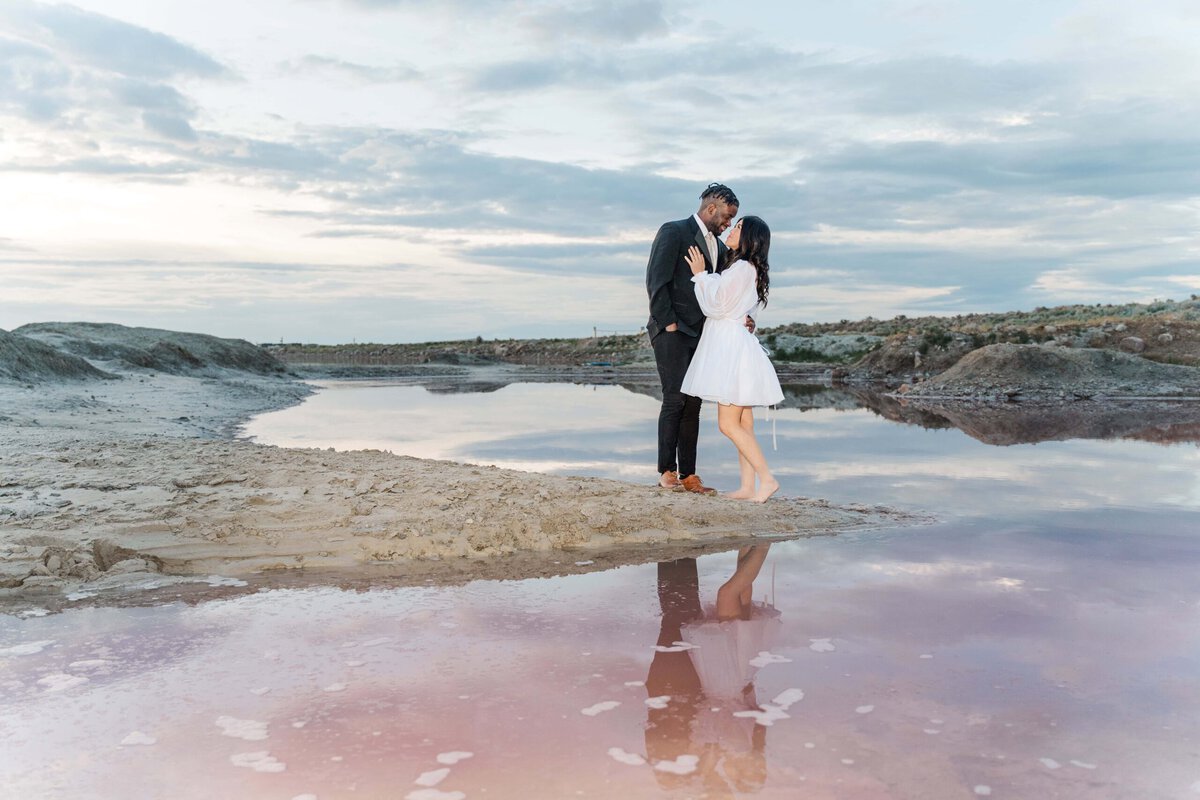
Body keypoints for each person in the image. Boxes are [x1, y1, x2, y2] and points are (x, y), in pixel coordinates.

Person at [645, 183, 741, 495]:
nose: (728, 223)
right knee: (675, 399)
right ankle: (666, 472)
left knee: (694, 403)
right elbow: (656, 280)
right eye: (727, 216)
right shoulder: (673, 231)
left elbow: (725, 289)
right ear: (712, 208)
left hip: (704, 334)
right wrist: (668, 323)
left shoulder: (721, 248)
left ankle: (689, 475)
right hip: (672, 331)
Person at [680, 216, 783, 502]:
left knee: (728, 424)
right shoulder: (749, 269)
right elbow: (744, 310)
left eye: (739, 227)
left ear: (750, 237)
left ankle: (768, 479)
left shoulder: (740, 268)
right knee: (744, 424)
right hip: (735, 344)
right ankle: (748, 487)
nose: (732, 230)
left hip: (729, 348)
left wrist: (700, 275)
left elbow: (717, 306)